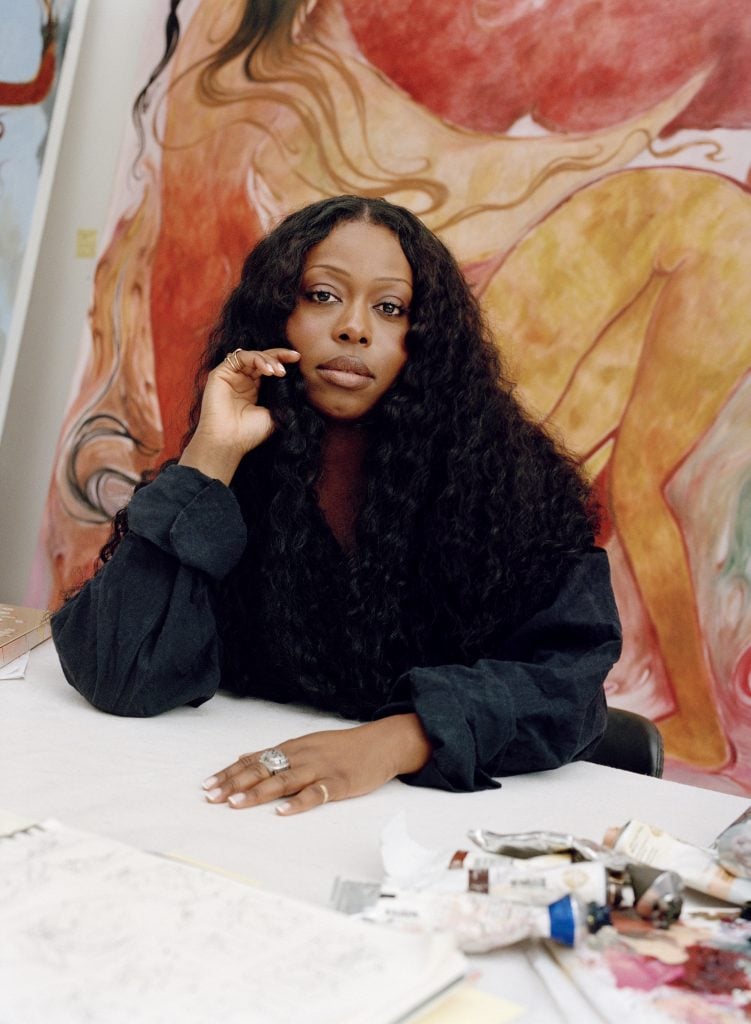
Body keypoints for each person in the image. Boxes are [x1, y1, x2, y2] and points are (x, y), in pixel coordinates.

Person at [51, 195, 622, 815]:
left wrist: (397, 741)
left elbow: (569, 685)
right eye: (323, 296)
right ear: (277, 316)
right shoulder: (234, 467)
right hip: (230, 807)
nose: (354, 328)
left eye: (390, 307)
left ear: (424, 336)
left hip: (449, 819)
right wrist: (210, 456)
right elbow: (118, 670)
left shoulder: (512, 481)